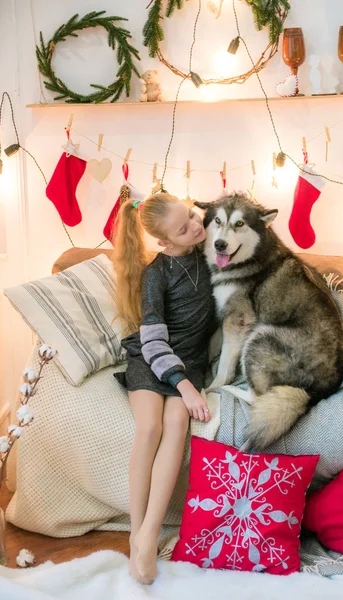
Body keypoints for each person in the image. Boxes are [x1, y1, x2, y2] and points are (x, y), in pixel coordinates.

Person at [113, 193, 215, 585]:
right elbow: (153, 341)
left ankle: (150, 532)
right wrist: (185, 386)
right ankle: (138, 534)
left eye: (192, 216)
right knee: (150, 428)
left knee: (177, 426)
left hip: (189, 362)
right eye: (183, 227)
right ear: (165, 242)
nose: (195, 226)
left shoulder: (208, 250)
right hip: (153, 359)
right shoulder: (156, 273)